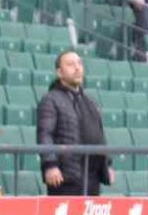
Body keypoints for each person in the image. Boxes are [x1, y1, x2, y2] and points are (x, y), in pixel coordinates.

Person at [37, 49, 112, 195]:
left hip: (92, 179)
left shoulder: (89, 102)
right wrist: (50, 165)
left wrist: (107, 164)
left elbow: (99, 135)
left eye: (79, 63)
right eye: (70, 64)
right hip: (65, 178)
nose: (77, 68)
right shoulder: (50, 100)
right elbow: (45, 135)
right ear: (59, 72)